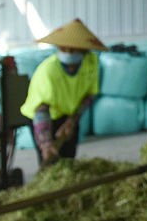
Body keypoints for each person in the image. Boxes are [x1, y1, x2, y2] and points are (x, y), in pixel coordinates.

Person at [19, 18, 105, 168]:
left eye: (73, 49)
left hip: (69, 113)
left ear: (84, 50)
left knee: (68, 159)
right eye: (64, 49)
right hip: (44, 117)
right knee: (50, 160)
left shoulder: (91, 62)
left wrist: (72, 120)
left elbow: (89, 96)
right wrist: (46, 144)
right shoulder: (49, 70)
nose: (68, 52)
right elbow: (41, 110)